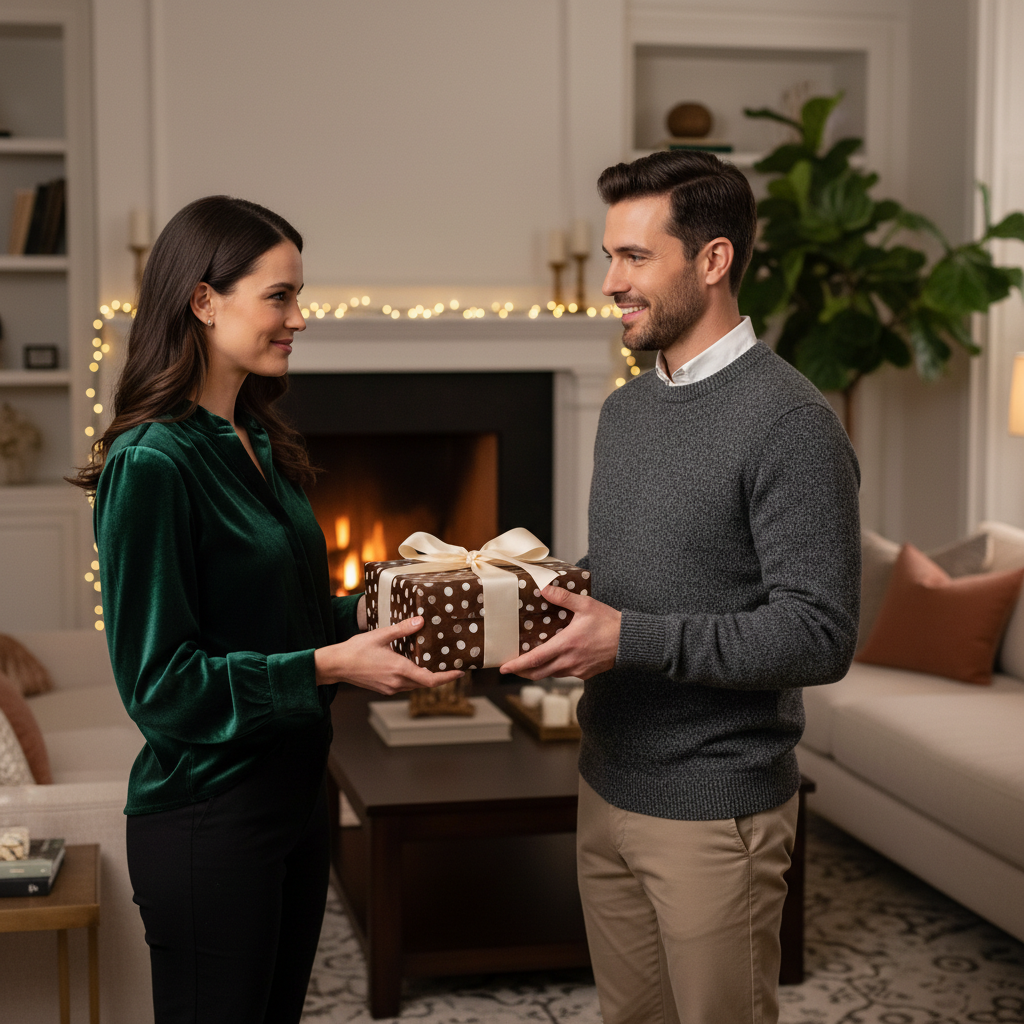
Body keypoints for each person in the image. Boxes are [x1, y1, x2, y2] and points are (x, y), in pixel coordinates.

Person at [69, 195, 461, 1024]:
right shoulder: (152, 463)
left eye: (297, 296)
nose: (300, 319)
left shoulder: (256, 439)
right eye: (279, 296)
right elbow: (161, 687)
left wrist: (393, 604)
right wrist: (327, 666)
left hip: (295, 801)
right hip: (209, 818)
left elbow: (287, 618)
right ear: (203, 300)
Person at [500, 151, 861, 1024]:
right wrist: (524, 595)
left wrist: (629, 638)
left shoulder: (792, 423)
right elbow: (637, 569)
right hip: (604, 782)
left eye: (635, 257)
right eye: (609, 256)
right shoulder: (626, 409)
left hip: (714, 812)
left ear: (713, 260)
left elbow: (819, 633)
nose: (610, 283)